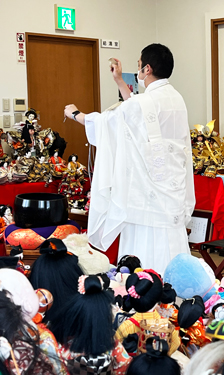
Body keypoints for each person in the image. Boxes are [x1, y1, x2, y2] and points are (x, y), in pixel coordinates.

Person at [63, 43, 195, 274]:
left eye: (138, 66)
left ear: (147, 69)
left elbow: (110, 121)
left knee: (144, 250)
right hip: (172, 187)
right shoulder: (176, 98)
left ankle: (141, 291)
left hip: (147, 192)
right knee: (171, 245)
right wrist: (119, 82)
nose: (138, 72)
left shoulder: (145, 102)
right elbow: (137, 111)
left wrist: (75, 114)